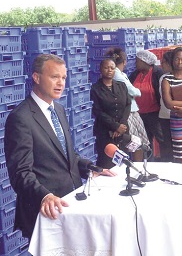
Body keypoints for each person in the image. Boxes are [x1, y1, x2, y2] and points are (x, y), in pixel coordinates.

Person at [4, 54, 115, 240]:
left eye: (63, 77)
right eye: (54, 77)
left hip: (71, 205)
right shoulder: (20, 118)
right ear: (36, 78)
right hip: (45, 213)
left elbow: (67, 156)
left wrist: (91, 168)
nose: (61, 83)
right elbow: (20, 173)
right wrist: (44, 196)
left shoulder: (59, 110)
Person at [106, 47, 150, 161]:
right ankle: (136, 166)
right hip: (128, 113)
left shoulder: (121, 74)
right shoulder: (117, 75)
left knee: (138, 142)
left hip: (132, 111)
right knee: (135, 142)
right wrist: (139, 91)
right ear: (125, 62)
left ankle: (137, 166)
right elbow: (133, 91)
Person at [91, 58, 132, 169]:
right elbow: (97, 111)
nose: (109, 70)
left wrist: (121, 125)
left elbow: (128, 104)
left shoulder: (121, 85)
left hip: (122, 131)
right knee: (107, 163)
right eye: (106, 67)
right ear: (100, 69)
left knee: (123, 163)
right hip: (104, 132)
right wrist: (115, 126)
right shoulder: (95, 89)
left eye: (112, 68)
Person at [129, 50, 167, 160]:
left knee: (162, 139)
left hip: (155, 114)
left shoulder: (157, 73)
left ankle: (167, 161)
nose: (135, 63)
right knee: (145, 142)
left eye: (137, 61)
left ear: (145, 61)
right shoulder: (135, 74)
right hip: (139, 115)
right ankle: (149, 164)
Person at [158, 51, 174, 162]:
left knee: (168, 145)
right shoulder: (163, 77)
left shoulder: (165, 78)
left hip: (172, 116)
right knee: (168, 145)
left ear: (169, 63)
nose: (161, 65)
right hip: (165, 116)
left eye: (163, 62)